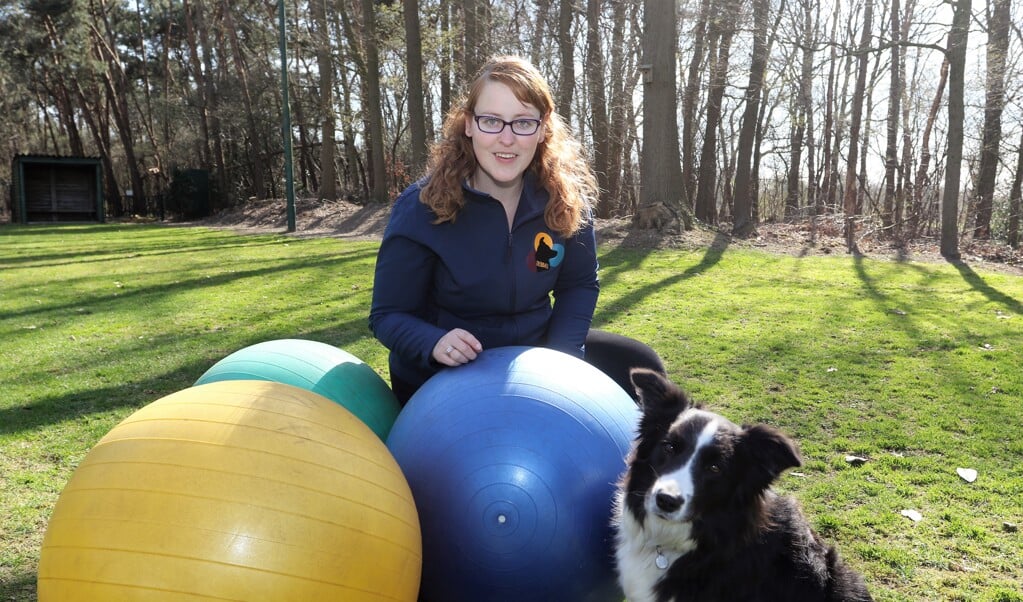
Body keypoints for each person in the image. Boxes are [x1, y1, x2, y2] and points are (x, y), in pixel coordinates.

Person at [369, 55, 664, 405]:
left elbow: (579, 284)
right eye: (492, 121)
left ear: (542, 129)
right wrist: (433, 342)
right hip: (444, 376)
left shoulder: (565, 199)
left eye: (523, 123)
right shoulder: (420, 206)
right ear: (469, 125)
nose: (507, 139)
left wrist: (561, 357)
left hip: (529, 361)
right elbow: (388, 314)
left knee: (639, 363)